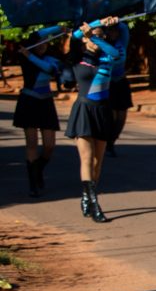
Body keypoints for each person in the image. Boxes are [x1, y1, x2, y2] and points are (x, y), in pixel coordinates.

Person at [65, 17, 121, 222]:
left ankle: (86, 196)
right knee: (87, 159)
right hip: (84, 110)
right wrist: (96, 24)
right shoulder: (77, 56)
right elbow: (76, 36)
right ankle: (95, 203)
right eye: (92, 36)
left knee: (98, 163)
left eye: (100, 36)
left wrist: (103, 30)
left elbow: (116, 51)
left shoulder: (108, 56)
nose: (95, 39)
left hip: (103, 111)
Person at [15, 26, 65, 197]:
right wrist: (57, 28)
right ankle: (32, 184)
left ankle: (38, 170)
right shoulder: (24, 56)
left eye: (45, 42)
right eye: (39, 43)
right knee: (32, 143)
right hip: (28, 101)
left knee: (50, 146)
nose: (43, 45)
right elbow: (35, 35)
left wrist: (60, 29)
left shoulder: (51, 59)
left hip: (45, 103)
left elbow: (49, 70)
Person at [105, 19, 132, 157]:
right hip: (107, 83)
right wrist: (103, 23)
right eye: (110, 30)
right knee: (112, 116)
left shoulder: (122, 43)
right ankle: (106, 142)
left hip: (121, 82)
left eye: (115, 30)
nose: (113, 33)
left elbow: (125, 29)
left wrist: (116, 20)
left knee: (121, 117)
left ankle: (112, 142)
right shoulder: (101, 45)